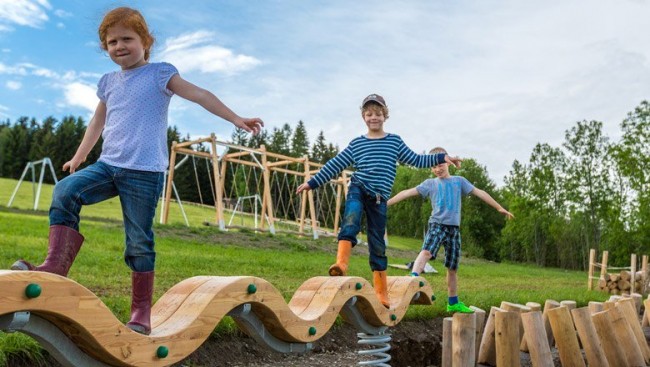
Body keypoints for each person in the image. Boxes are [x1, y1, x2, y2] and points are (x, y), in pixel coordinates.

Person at [11, 7, 263, 335]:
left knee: (139, 241)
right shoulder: (108, 82)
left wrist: (235, 119)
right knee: (65, 191)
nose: (119, 46)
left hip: (144, 172)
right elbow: (97, 122)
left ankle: (141, 310)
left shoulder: (160, 74)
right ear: (106, 47)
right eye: (112, 41)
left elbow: (200, 94)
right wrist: (78, 156)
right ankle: (56, 266)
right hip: (108, 165)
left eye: (127, 38)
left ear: (145, 41)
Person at [296, 94, 461, 309]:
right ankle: (341, 263)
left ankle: (381, 292)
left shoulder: (394, 141)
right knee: (351, 221)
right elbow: (336, 164)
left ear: (385, 115)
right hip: (359, 188)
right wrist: (313, 182)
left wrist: (441, 158)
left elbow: (416, 159)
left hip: (379, 199)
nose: (374, 117)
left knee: (377, 243)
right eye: (369, 114)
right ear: (364, 117)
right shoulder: (357, 144)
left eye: (378, 113)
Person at [387, 147, 514, 313]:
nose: (438, 169)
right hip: (437, 225)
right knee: (426, 252)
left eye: (440, 165)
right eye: (434, 167)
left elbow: (480, 192)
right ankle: (412, 278)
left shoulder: (459, 181)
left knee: (452, 268)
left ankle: (453, 302)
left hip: (454, 230)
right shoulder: (430, 184)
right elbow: (406, 193)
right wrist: (386, 203)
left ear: (447, 163)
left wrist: (499, 207)